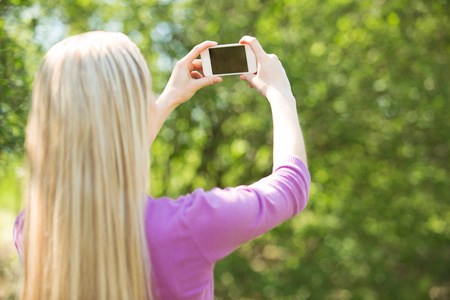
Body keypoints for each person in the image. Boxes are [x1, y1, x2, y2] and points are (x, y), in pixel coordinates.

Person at [13, 31, 310, 300]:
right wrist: (281, 93)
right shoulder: (186, 227)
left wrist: (169, 99)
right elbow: (291, 186)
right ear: (137, 110)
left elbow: (100, 161)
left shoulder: (32, 228)